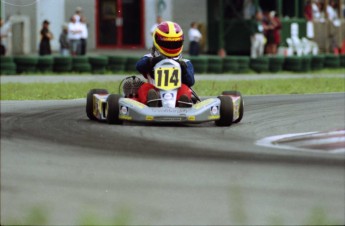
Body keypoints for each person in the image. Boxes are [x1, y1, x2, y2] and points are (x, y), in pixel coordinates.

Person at [136, 21, 195, 107]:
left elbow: (190, 81)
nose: (171, 46)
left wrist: (183, 69)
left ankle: (182, 102)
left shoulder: (185, 62)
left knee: (184, 88)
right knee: (144, 87)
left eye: (174, 43)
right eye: (167, 43)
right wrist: (152, 61)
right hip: (154, 91)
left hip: (176, 93)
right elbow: (139, 66)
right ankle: (152, 102)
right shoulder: (149, 58)